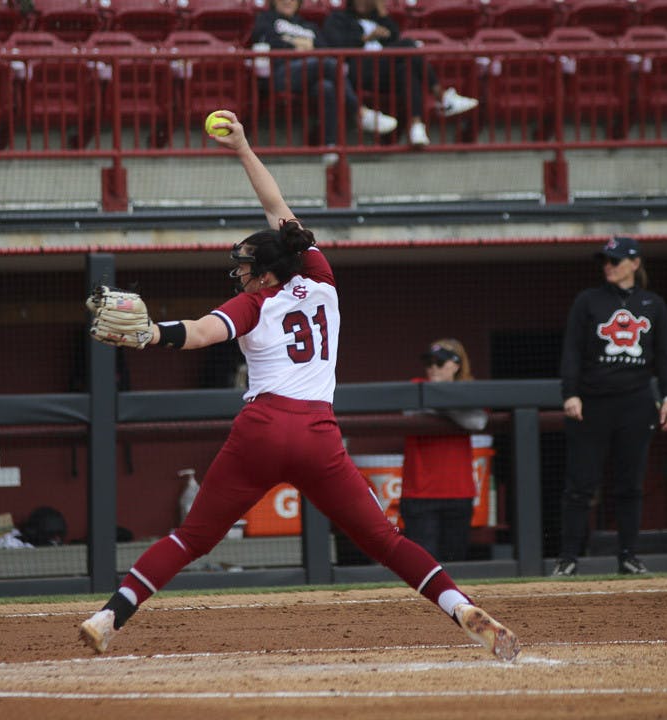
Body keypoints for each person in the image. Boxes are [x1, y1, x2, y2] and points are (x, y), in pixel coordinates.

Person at [79, 109, 520, 662]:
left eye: (245, 267)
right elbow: (277, 209)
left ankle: (108, 616)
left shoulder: (255, 302)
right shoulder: (322, 280)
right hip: (317, 431)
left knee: (191, 538)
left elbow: (196, 335)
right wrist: (243, 147)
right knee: (386, 541)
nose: (239, 273)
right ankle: (461, 608)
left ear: (266, 274)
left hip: (261, 429)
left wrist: (147, 335)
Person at [552, 236, 667, 577]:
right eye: (606, 260)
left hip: (636, 401)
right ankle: (568, 557)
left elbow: (665, 355)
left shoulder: (653, 303)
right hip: (592, 402)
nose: (609, 266)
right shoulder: (588, 301)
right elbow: (572, 351)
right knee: (580, 483)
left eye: (616, 260)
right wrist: (570, 393)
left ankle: (628, 555)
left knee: (629, 483)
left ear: (635, 264)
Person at [251, 0, 399, 164]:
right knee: (328, 65)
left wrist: (302, 47)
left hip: (311, 74)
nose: (287, 1)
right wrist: (295, 46)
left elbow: (325, 49)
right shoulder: (266, 19)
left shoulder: (309, 26)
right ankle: (360, 113)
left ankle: (330, 147)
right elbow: (264, 40)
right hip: (281, 73)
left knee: (326, 87)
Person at [322, 0, 479, 147]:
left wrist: (382, 13)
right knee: (409, 45)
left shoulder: (381, 21)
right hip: (358, 69)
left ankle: (416, 126)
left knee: (407, 69)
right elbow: (335, 45)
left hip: (384, 71)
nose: (363, 2)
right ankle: (442, 97)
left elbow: (395, 38)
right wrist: (365, 38)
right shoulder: (338, 18)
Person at [400, 339, 478, 562]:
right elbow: (409, 410)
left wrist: (442, 404)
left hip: (459, 491)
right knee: (424, 565)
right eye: (429, 362)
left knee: (456, 564)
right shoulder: (416, 385)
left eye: (440, 362)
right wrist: (452, 407)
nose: (433, 367)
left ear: (455, 365)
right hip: (420, 493)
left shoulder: (470, 391)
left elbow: (476, 420)